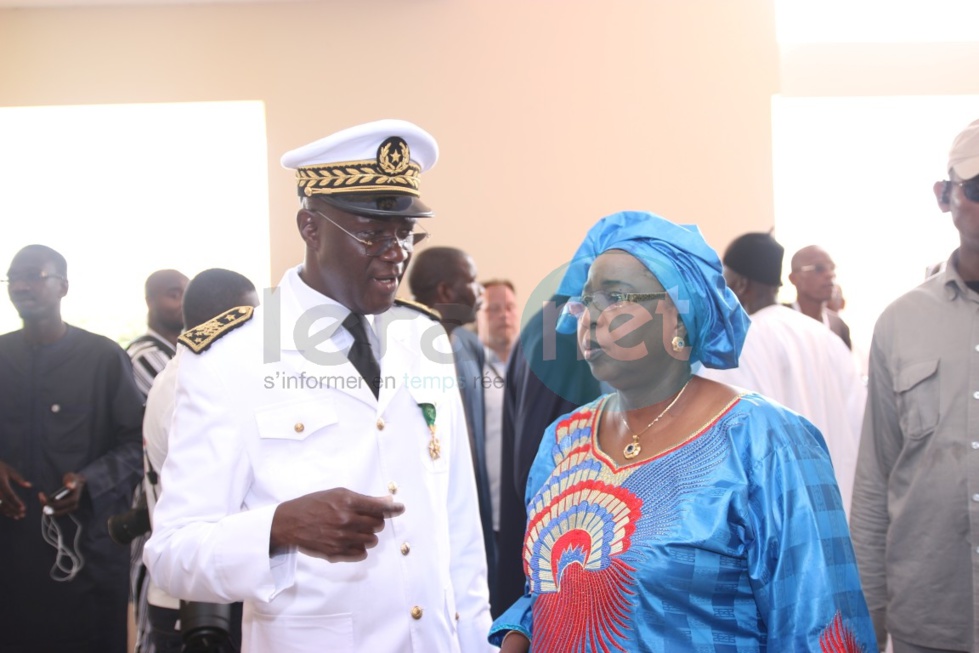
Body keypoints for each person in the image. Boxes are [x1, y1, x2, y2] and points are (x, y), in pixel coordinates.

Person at [144, 119, 494, 653]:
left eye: (405, 232)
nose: (396, 251)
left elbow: (459, 527)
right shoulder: (229, 356)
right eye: (372, 233)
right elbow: (171, 552)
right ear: (310, 227)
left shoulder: (423, 336)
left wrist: (478, 642)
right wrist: (278, 528)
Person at [490, 211, 876, 652]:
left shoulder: (763, 440)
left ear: (679, 316)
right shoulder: (563, 440)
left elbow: (818, 621)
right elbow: (545, 591)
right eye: (585, 300)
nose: (590, 317)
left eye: (615, 297)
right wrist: (521, 631)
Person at [851, 118, 979, 653]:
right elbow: (876, 479)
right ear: (944, 196)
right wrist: (868, 613)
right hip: (929, 620)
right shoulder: (900, 323)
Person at [0, 244, 145, 653]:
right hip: (10, 553)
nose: (21, 286)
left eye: (34, 276)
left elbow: (137, 444)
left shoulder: (102, 357)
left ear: (63, 286)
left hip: (86, 553)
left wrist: (89, 481)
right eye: (14, 278)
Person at [699, 231, 866, 515]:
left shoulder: (736, 346)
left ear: (740, 284)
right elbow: (859, 423)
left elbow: (721, 446)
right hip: (839, 510)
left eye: (724, 280)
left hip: (778, 523)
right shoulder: (826, 338)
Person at [141, 268, 259, 653]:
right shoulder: (188, 386)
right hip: (195, 604)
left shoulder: (193, 374)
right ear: (222, 323)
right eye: (248, 319)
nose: (257, 332)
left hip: (210, 591)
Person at [407, 246, 496, 602]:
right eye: (472, 281)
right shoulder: (404, 350)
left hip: (473, 503)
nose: (481, 291)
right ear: (445, 291)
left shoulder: (469, 346)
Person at [125, 268, 188, 652]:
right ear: (149, 300)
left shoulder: (183, 357)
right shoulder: (148, 358)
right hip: (154, 503)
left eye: (186, 293)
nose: (181, 302)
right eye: (172, 293)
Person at [128, 269, 189, 399]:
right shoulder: (147, 355)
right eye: (174, 295)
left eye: (188, 295)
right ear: (149, 301)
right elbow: (185, 401)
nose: (184, 303)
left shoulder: (180, 349)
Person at [788, 245, 852, 349]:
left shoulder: (839, 326)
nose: (830, 274)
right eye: (819, 268)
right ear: (794, 278)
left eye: (832, 268)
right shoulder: (777, 321)